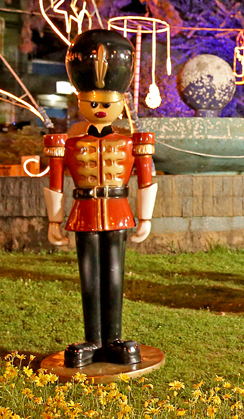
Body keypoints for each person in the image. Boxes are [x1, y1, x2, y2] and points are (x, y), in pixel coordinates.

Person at [43, 29, 158, 368]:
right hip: (83, 212)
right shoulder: (66, 143)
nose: (99, 109)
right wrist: (53, 220)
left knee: (115, 274)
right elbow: (55, 180)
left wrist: (146, 217)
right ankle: (92, 339)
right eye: (92, 103)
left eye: (106, 104)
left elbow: (147, 179)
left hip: (119, 212)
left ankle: (115, 338)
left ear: (121, 104)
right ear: (80, 102)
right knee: (89, 275)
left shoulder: (132, 141)